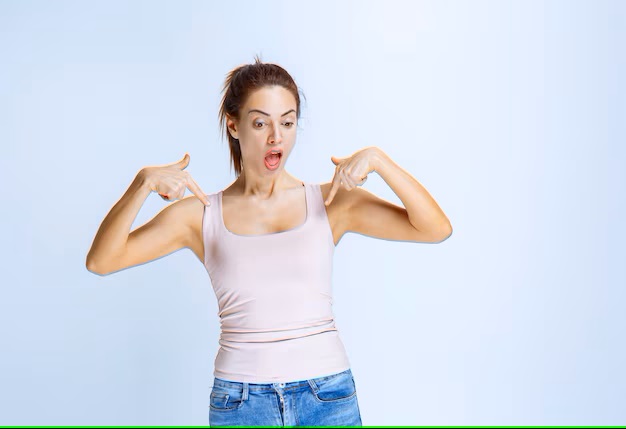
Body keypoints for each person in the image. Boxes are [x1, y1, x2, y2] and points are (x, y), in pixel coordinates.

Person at [86, 55, 452, 427]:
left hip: (327, 397)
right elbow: (102, 260)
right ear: (233, 125)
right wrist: (142, 184)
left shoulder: (331, 202)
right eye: (260, 123)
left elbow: (435, 228)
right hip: (241, 403)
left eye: (288, 122)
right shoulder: (199, 215)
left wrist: (379, 161)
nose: (276, 136)